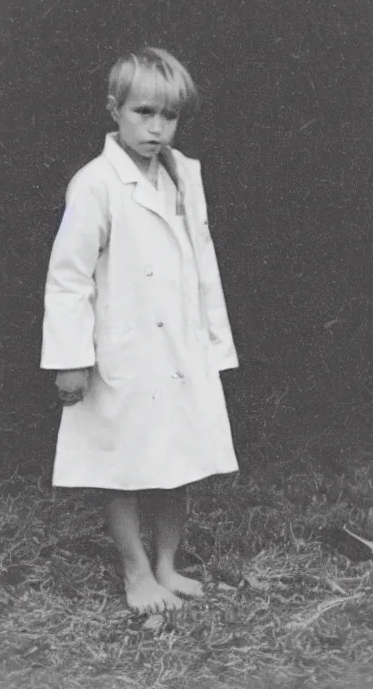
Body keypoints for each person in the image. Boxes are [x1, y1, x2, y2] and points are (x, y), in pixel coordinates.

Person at [41, 47, 239, 614]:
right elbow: (68, 278)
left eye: (169, 116)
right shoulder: (96, 184)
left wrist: (213, 344)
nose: (156, 128)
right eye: (143, 113)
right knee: (124, 465)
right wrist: (70, 358)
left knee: (176, 460)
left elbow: (203, 265)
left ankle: (168, 566)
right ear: (114, 109)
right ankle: (135, 573)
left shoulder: (184, 176)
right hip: (122, 350)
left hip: (177, 348)